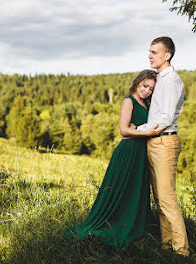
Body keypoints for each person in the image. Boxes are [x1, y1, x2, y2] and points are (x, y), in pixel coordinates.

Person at [64, 69, 163, 249]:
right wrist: (144, 132)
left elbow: (141, 127)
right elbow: (124, 130)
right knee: (120, 190)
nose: (147, 91)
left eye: (151, 89)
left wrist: (140, 130)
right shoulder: (129, 101)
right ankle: (114, 225)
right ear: (137, 82)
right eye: (145, 86)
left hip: (140, 153)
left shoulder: (147, 105)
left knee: (136, 191)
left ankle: (135, 227)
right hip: (128, 152)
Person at [135, 36, 189, 256]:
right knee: (159, 199)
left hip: (165, 141)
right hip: (155, 141)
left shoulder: (172, 80)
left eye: (154, 52)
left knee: (167, 199)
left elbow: (165, 118)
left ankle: (181, 252)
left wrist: (137, 129)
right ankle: (167, 247)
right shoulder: (161, 80)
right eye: (149, 52)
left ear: (166, 55)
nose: (149, 55)